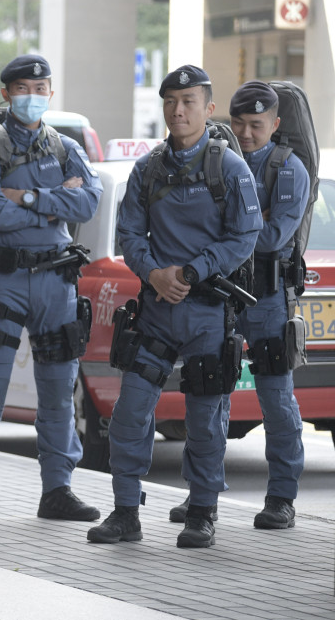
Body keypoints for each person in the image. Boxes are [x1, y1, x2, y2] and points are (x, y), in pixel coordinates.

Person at [87, 65, 261, 548]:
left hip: (207, 312)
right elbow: (128, 235)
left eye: (188, 101)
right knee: (130, 412)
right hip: (157, 310)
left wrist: (192, 271)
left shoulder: (228, 167)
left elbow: (245, 236)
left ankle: (202, 511)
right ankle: (125, 513)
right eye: (171, 101)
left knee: (205, 419)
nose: (178, 110)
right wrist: (155, 274)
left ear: (208, 108)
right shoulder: (148, 168)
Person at [0, 54, 103, 524]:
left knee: (59, 390)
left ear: (51, 93)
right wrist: (56, 204)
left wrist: (30, 197)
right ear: (5, 93)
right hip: (5, 280)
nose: (32, 97)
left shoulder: (65, 146)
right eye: (22, 88)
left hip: (56, 281)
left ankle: (58, 490)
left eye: (40, 89)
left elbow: (90, 201)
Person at [169, 81, 308, 530]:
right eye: (239, 123)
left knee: (275, 399)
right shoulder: (216, 161)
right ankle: (201, 495)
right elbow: (195, 226)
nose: (246, 134)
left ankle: (282, 497)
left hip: (266, 299)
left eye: (256, 125)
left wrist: (229, 232)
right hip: (220, 296)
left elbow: (272, 237)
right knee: (209, 395)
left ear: (275, 124)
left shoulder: (289, 169)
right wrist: (242, 227)